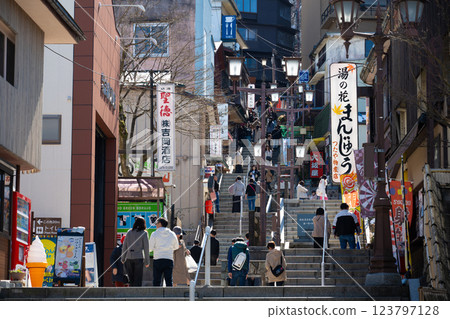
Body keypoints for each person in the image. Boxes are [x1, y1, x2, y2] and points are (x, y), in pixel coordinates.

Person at [148, 217, 179, 286]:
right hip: (169, 258)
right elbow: (176, 247)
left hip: (158, 259)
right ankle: (169, 295)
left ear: (160, 224)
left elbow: (150, 248)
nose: (155, 225)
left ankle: (156, 296)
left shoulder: (154, 234)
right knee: (169, 280)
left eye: (156, 223)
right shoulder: (172, 234)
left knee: (156, 280)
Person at [120, 216, 150, 287]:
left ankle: (131, 295)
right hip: (139, 257)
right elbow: (146, 248)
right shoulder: (144, 233)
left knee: (131, 279)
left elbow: (125, 246)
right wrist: (147, 261)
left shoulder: (129, 232)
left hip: (129, 258)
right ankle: (137, 295)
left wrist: (123, 258)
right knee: (138, 278)